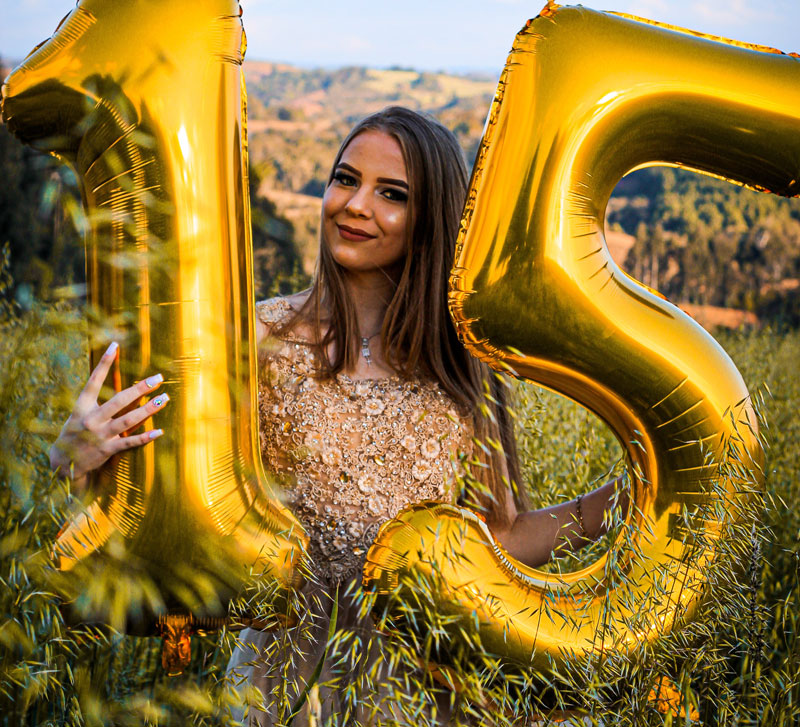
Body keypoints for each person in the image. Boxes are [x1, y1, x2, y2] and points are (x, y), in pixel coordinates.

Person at [50, 107, 626, 726]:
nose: (355, 204)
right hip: (281, 694)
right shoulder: (254, 341)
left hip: (415, 697)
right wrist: (74, 459)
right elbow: (170, 515)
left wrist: (626, 500)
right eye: (345, 179)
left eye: (392, 194)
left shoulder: (463, 368)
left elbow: (501, 538)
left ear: (429, 221)